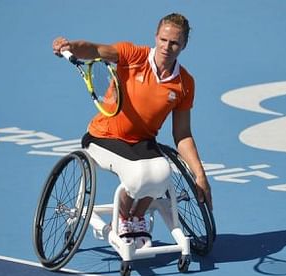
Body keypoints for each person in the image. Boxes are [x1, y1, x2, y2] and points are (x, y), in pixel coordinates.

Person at [52, 13, 212, 248]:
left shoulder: (185, 83)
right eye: (163, 40)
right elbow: (95, 50)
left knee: (162, 173)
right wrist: (71, 46)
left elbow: (183, 134)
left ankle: (135, 217)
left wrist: (200, 174)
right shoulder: (133, 55)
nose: (167, 47)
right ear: (156, 37)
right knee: (139, 175)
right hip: (103, 137)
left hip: (142, 142)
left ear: (184, 45)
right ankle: (127, 217)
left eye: (175, 43)